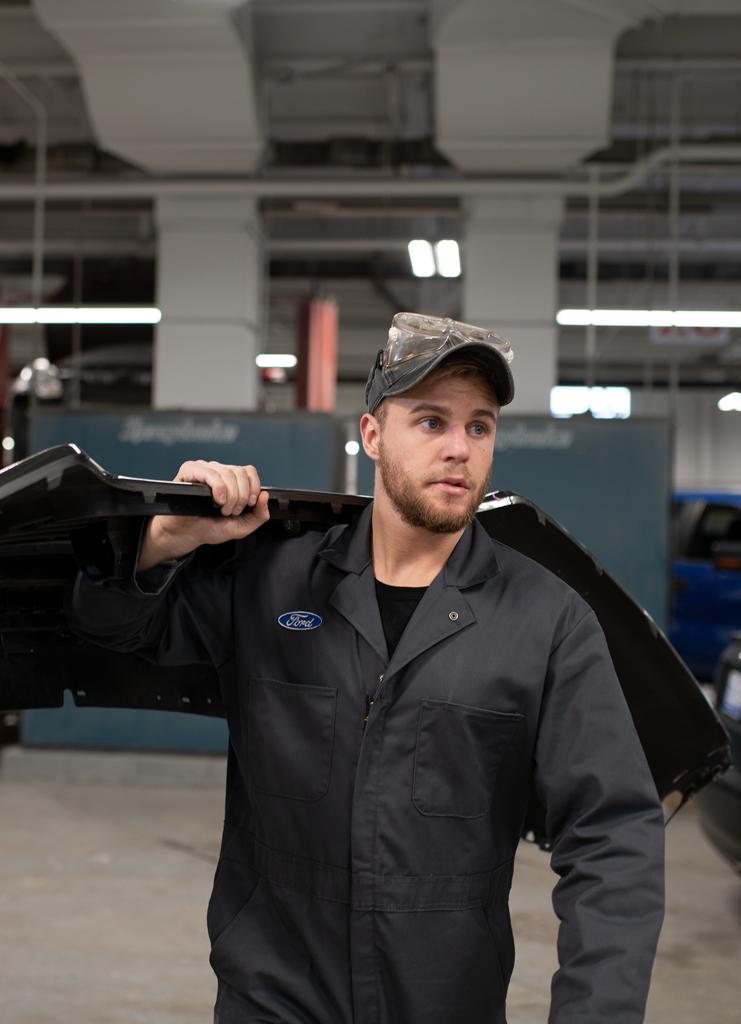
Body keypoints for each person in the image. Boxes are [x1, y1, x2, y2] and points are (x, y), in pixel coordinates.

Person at [68, 312, 665, 1024]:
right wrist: (162, 542)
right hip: (274, 996)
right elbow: (112, 635)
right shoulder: (270, 582)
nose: (460, 449)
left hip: (445, 1004)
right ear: (372, 436)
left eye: (480, 426)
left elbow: (614, 836)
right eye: (431, 421)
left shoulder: (546, 621)